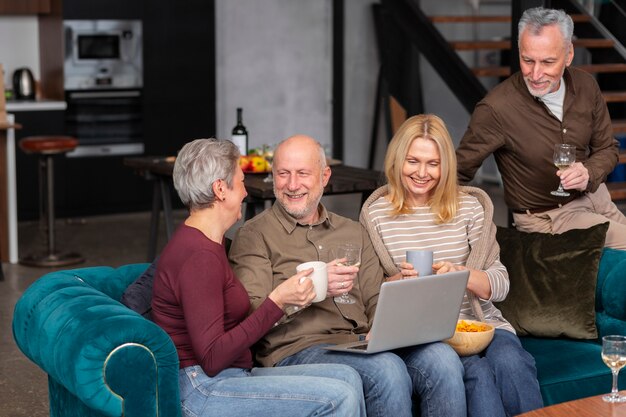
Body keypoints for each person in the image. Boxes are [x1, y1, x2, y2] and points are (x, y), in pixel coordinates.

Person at [229, 134, 466, 417]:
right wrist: (314, 287)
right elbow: (250, 315)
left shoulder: (352, 231)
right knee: (386, 370)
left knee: (444, 359)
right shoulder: (254, 235)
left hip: (360, 342)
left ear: (324, 176)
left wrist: (397, 317)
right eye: (283, 174)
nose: (292, 185)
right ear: (273, 177)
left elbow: (376, 298)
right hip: (297, 349)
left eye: (303, 173)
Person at [151, 138, 366, 417]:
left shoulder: (209, 242)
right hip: (201, 388)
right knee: (339, 396)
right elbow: (212, 358)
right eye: (241, 181)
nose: (245, 192)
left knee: (348, 377)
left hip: (230, 374)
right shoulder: (198, 256)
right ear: (220, 189)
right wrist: (277, 301)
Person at [360, 114, 544, 416]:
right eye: (413, 161)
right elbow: (369, 292)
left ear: (446, 165)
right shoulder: (377, 215)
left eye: (433, 163)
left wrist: (463, 275)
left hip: (483, 325)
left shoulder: (469, 207)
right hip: (426, 333)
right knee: (476, 376)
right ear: (397, 160)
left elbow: (500, 284)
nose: (422, 173)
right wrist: (396, 282)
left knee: (512, 363)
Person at [456, 6, 626, 249]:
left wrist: (588, 172)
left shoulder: (586, 86)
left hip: (598, 199)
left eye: (547, 62)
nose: (535, 74)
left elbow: (608, 149)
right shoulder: (496, 108)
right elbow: (459, 171)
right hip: (549, 218)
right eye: (527, 60)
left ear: (568, 55)